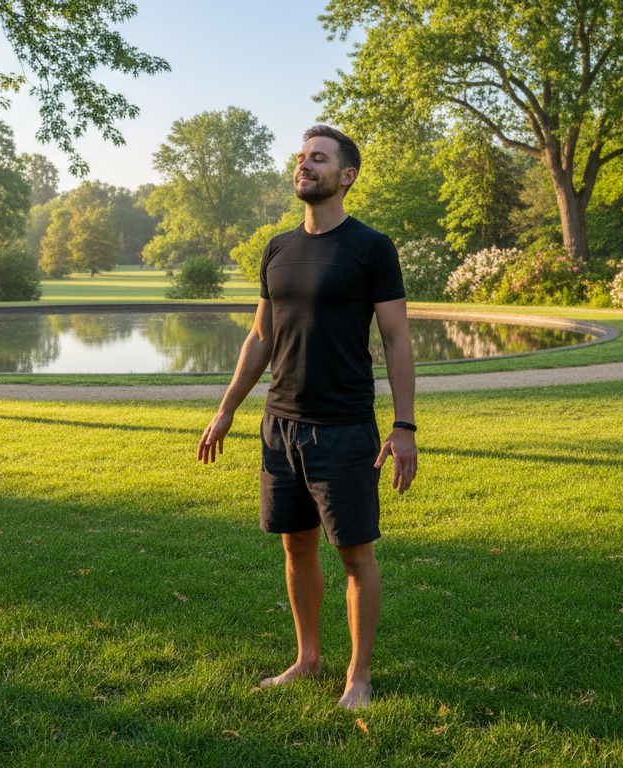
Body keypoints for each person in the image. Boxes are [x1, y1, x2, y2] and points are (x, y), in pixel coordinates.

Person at [197, 124, 417, 710]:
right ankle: (308, 658)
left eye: (318, 159)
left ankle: (359, 677)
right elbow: (260, 336)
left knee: (355, 554)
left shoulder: (372, 247)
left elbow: (396, 339)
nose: (305, 166)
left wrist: (404, 426)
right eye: (302, 158)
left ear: (347, 176)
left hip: (344, 428)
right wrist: (226, 410)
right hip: (280, 426)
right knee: (296, 546)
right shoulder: (277, 247)